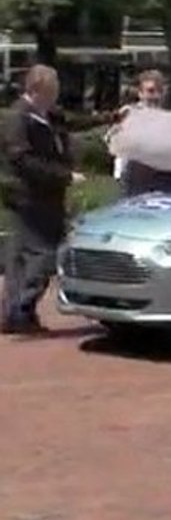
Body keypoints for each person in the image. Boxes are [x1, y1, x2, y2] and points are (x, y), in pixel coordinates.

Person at [0, 65, 85, 335]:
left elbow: (73, 122)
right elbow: (21, 159)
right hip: (28, 195)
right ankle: (19, 308)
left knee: (21, 257)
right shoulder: (18, 118)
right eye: (52, 91)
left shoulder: (46, 115)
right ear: (38, 90)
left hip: (45, 196)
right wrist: (65, 176)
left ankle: (17, 314)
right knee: (44, 255)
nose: (55, 96)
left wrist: (112, 117)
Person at [110, 70, 166, 196]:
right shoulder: (129, 114)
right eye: (151, 91)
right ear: (140, 93)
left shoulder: (167, 118)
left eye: (159, 91)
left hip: (159, 177)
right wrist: (119, 174)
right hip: (133, 176)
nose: (156, 96)